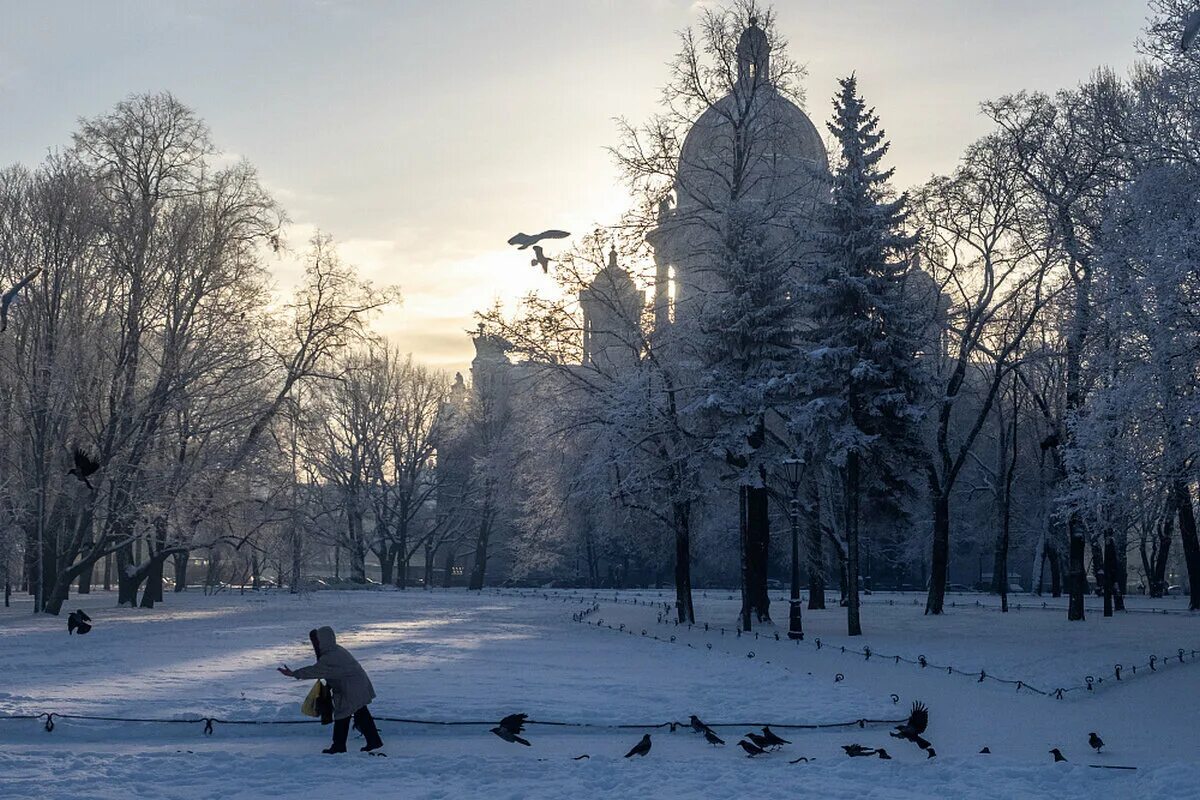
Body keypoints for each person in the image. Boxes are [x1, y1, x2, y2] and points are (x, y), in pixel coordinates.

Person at [279, 626, 384, 753]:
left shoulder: (330, 657)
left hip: (350, 688)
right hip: (357, 685)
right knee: (360, 712)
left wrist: (293, 673)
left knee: (342, 715)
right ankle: (373, 741)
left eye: (318, 640)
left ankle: (339, 746)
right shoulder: (336, 650)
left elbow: (315, 671)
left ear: (323, 640)